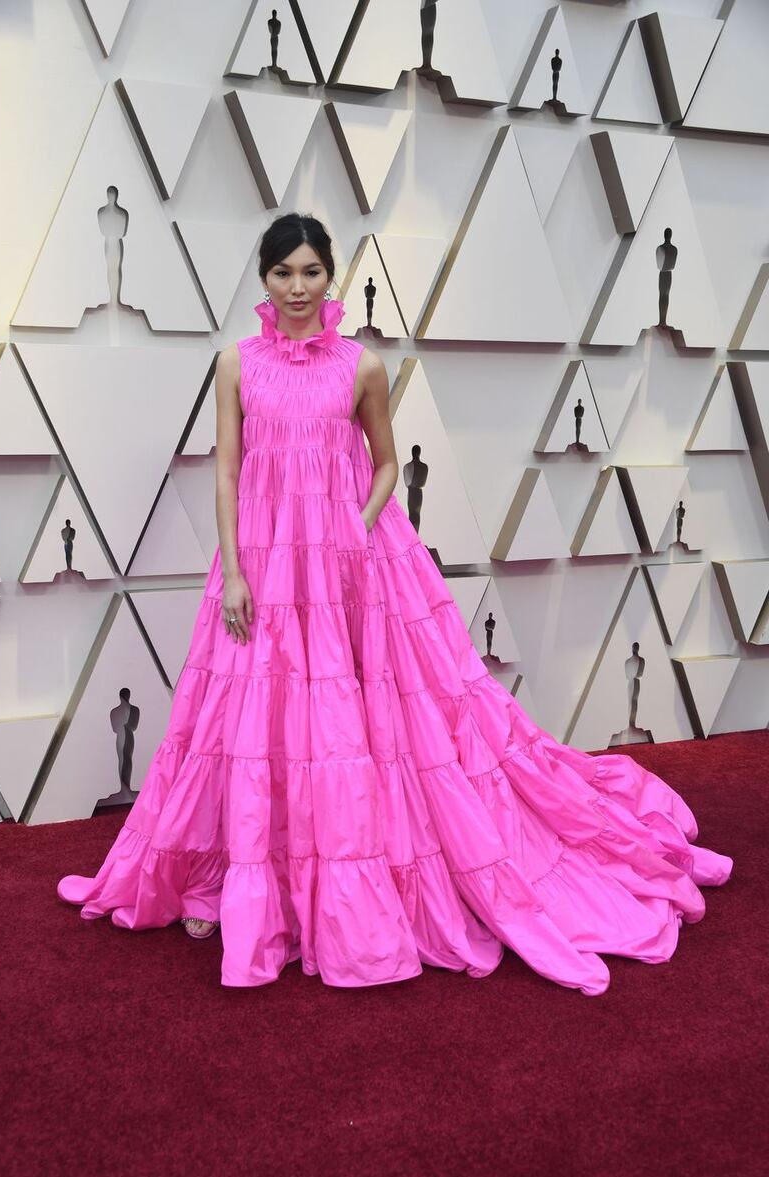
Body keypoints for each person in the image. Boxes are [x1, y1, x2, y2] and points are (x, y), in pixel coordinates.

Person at [57, 212, 733, 995]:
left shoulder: (364, 366)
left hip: (353, 568)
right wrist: (234, 572)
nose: (298, 288)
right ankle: (232, 877)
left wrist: (360, 522)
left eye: (312, 272)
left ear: (330, 276)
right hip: (264, 566)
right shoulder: (235, 365)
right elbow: (227, 474)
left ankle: (342, 881)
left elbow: (384, 464)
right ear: (264, 281)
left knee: (357, 725)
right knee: (247, 721)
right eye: (284, 274)